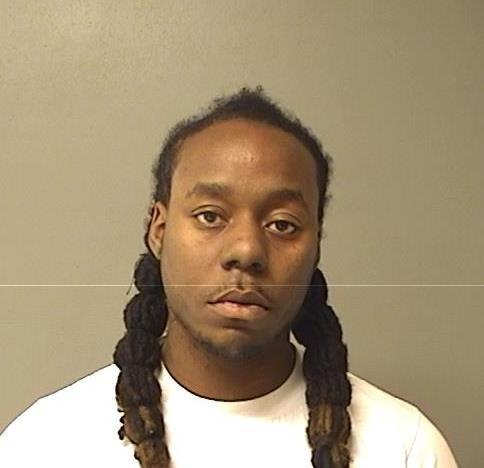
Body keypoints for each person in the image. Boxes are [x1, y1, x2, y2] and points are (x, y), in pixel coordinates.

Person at [0, 87, 458, 468]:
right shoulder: (45, 445)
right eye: (210, 216)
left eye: (282, 224)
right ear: (159, 230)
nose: (246, 251)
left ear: (316, 245)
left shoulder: (404, 448)